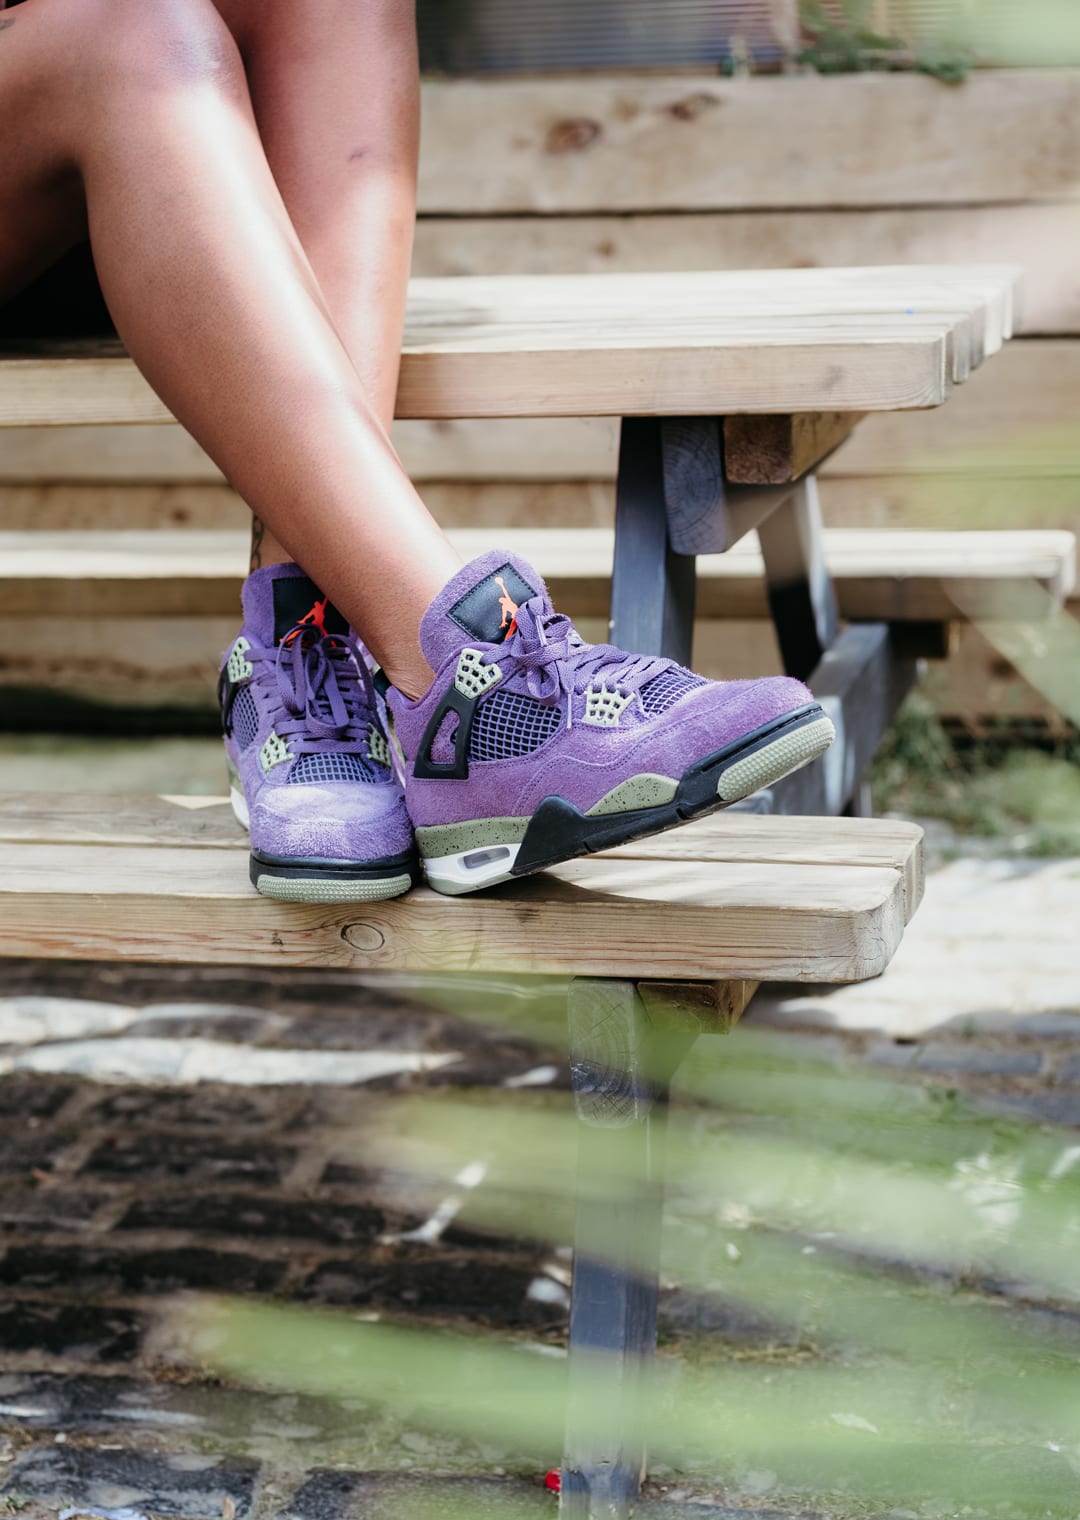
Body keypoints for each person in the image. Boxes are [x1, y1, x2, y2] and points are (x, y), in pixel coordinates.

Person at [0, 0, 833, 900]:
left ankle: (304, 644)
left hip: (133, 169)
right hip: (88, 89)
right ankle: (474, 690)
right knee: (132, 30)